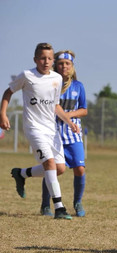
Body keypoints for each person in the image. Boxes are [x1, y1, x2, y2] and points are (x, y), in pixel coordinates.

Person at [0, 42, 79, 220]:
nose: (46, 61)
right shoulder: (27, 76)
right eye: (42, 58)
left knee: (59, 168)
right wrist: (2, 114)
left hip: (51, 129)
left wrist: (69, 121)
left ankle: (21, 174)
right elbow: (8, 92)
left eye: (50, 58)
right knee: (49, 164)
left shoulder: (57, 79)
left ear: (53, 61)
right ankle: (59, 207)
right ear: (35, 59)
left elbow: (55, 105)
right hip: (34, 128)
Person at [39, 50, 88, 217]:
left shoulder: (78, 86)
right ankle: (46, 204)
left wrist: (69, 116)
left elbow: (84, 110)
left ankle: (77, 202)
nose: (64, 66)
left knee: (80, 169)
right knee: (53, 170)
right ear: (55, 66)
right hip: (53, 134)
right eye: (60, 63)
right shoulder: (50, 84)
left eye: (67, 64)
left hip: (73, 134)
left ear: (72, 67)